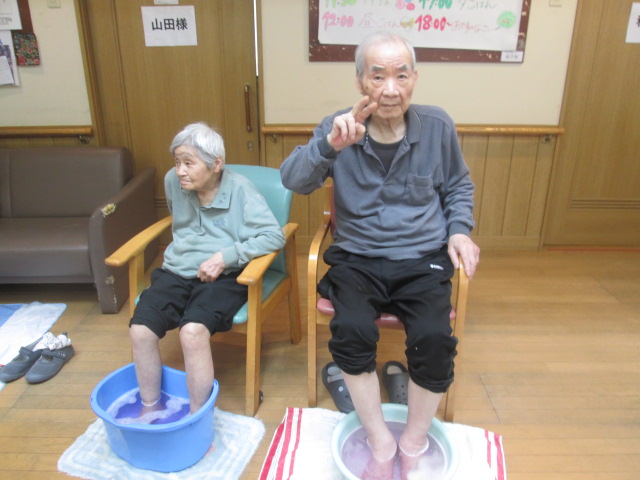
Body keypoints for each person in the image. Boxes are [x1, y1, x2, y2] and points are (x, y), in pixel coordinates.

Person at [280, 32, 480, 479]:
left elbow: (458, 186)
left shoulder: (437, 126)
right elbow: (293, 181)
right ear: (360, 82)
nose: (390, 89)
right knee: (350, 332)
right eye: (378, 76)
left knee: (434, 340)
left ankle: (414, 440)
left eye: (401, 76)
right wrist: (328, 146)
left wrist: (459, 231)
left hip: (422, 258)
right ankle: (378, 439)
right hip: (357, 258)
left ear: (414, 79)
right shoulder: (339, 126)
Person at [129, 122, 285, 419]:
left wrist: (225, 257)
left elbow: (273, 236)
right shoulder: (172, 182)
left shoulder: (241, 189)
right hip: (176, 272)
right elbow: (180, 222)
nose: (180, 171)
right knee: (140, 330)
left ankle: (197, 418)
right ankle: (149, 410)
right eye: (177, 162)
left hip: (224, 276)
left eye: (189, 163)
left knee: (192, 332)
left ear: (216, 164)